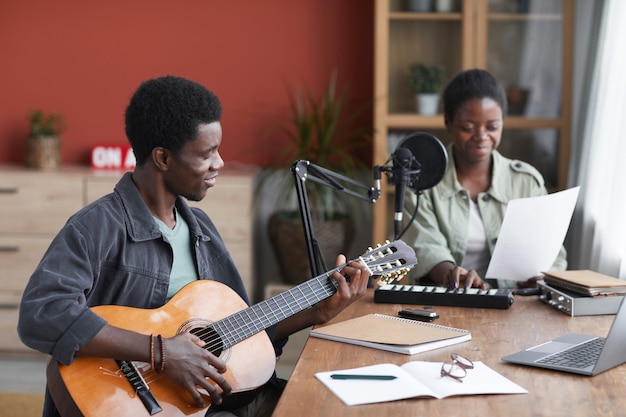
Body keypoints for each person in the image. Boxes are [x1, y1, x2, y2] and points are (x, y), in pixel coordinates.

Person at [17, 75, 371, 417]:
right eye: (207, 153)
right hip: (127, 401)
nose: (219, 163)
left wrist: (316, 313)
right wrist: (161, 352)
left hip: (209, 401)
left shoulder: (202, 230)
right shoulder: (96, 227)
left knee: (324, 403)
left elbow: (236, 335)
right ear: (163, 158)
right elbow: (42, 314)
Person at [404, 68, 567, 290]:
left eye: (492, 127)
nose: (481, 136)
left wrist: (543, 278)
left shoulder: (526, 182)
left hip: (517, 306)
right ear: (448, 123)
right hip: (446, 302)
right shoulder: (423, 183)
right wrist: (453, 276)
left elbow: (553, 254)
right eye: (468, 127)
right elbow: (424, 245)